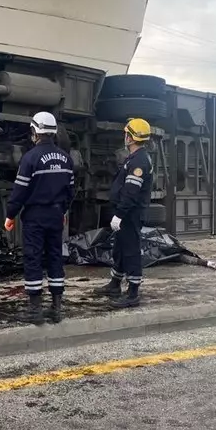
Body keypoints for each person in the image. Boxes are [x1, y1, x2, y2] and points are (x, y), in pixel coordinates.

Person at [3, 112, 75, 324]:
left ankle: (35, 309)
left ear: (35, 132)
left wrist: (10, 215)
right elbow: (70, 191)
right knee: (54, 256)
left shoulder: (30, 158)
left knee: (33, 257)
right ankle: (56, 307)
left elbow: (20, 191)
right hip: (55, 215)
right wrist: (62, 212)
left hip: (35, 215)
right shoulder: (66, 158)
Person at [94, 118, 154, 307]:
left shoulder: (139, 161)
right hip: (127, 212)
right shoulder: (136, 157)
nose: (124, 137)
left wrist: (120, 214)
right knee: (120, 248)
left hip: (130, 214)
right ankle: (115, 284)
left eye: (126, 134)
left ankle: (133, 293)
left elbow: (131, 192)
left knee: (130, 251)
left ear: (131, 137)